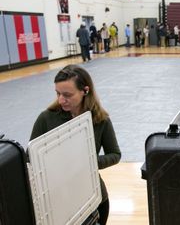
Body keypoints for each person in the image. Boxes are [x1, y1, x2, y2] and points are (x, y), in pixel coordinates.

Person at [30, 65, 121, 225]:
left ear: (85, 91)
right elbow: (29, 158)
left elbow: (115, 154)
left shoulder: (101, 120)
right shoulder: (45, 118)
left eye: (67, 95)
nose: (60, 100)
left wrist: (90, 163)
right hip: (58, 203)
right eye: (58, 93)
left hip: (94, 199)